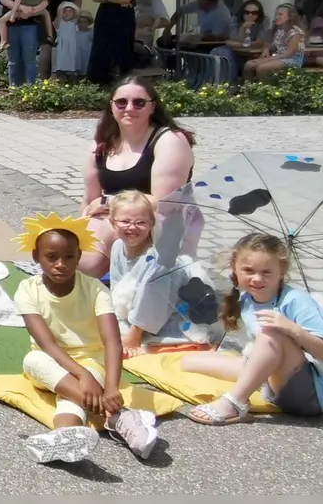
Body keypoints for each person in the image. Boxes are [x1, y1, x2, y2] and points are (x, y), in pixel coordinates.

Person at [13, 213, 161, 464]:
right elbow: (46, 343)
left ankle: (64, 435)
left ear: (79, 256)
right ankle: (119, 417)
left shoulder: (95, 289)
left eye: (69, 256)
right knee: (32, 359)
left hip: (93, 360)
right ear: (36, 257)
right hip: (51, 360)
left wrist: (111, 386)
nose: (61, 264)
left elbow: (113, 341)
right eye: (51, 257)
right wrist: (82, 375)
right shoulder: (27, 289)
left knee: (69, 398)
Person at [182, 233, 323, 425]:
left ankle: (235, 403)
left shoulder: (295, 300)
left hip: (313, 395)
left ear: (282, 271)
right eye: (248, 270)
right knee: (188, 363)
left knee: (270, 332)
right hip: (279, 379)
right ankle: (252, 379)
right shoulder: (246, 299)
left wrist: (292, 329)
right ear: (234, 269)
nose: (257, 278)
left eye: (266, 272)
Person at [79, 78, 198, 278]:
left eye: (139, 102)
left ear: (153, 107)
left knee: (88, 264)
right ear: (112, 107)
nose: (129, 108)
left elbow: (164, 203)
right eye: (121, 102)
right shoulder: (101, 145)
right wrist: (78, 226)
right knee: (60, 248)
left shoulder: (170, 141)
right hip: (113, 217)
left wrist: (109, 202)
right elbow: (89, 200)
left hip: (156, 223)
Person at [105, 190, 215, 358]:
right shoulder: (117, 247)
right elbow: (116, 285)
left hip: (168, 313)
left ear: (151, 224)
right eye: (125, 221)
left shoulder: (160, 257)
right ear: (112, 223)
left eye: (141, 222)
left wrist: (134, 334)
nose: (132, 227)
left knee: (155, 278)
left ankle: (138, 331)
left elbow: (154, 297)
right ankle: (133, 327)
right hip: (135, 309)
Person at [87, 0, 141, 86]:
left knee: (123, 48)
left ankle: (122, 82)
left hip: (123, 17)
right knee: (101, 48)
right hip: (105, 16)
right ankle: (98, 82)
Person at [243, 2, 306, 80]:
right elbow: (275, 45)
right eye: (276, 14)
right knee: (248, 65)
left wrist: (266, 60)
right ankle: (248, 88)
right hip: (278, 56)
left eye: (280, 15)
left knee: (262, 68)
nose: (276, 17)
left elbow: (288, 54)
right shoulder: (279, 29)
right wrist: (267, 49)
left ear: (290, 17)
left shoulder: (295, 32)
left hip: (292, 59)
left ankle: (264, 90)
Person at [51, 2, 90, 79]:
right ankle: (61, 77)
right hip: (62, 48)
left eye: (69, 11)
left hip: (72, 48)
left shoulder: (75, 23)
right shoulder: (60, 23)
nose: (67, 13)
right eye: (64, 11)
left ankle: (72, 77)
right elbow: (58, 15)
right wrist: (62, 7)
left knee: (72, 64)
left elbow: (79, 13)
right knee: (61, 64)